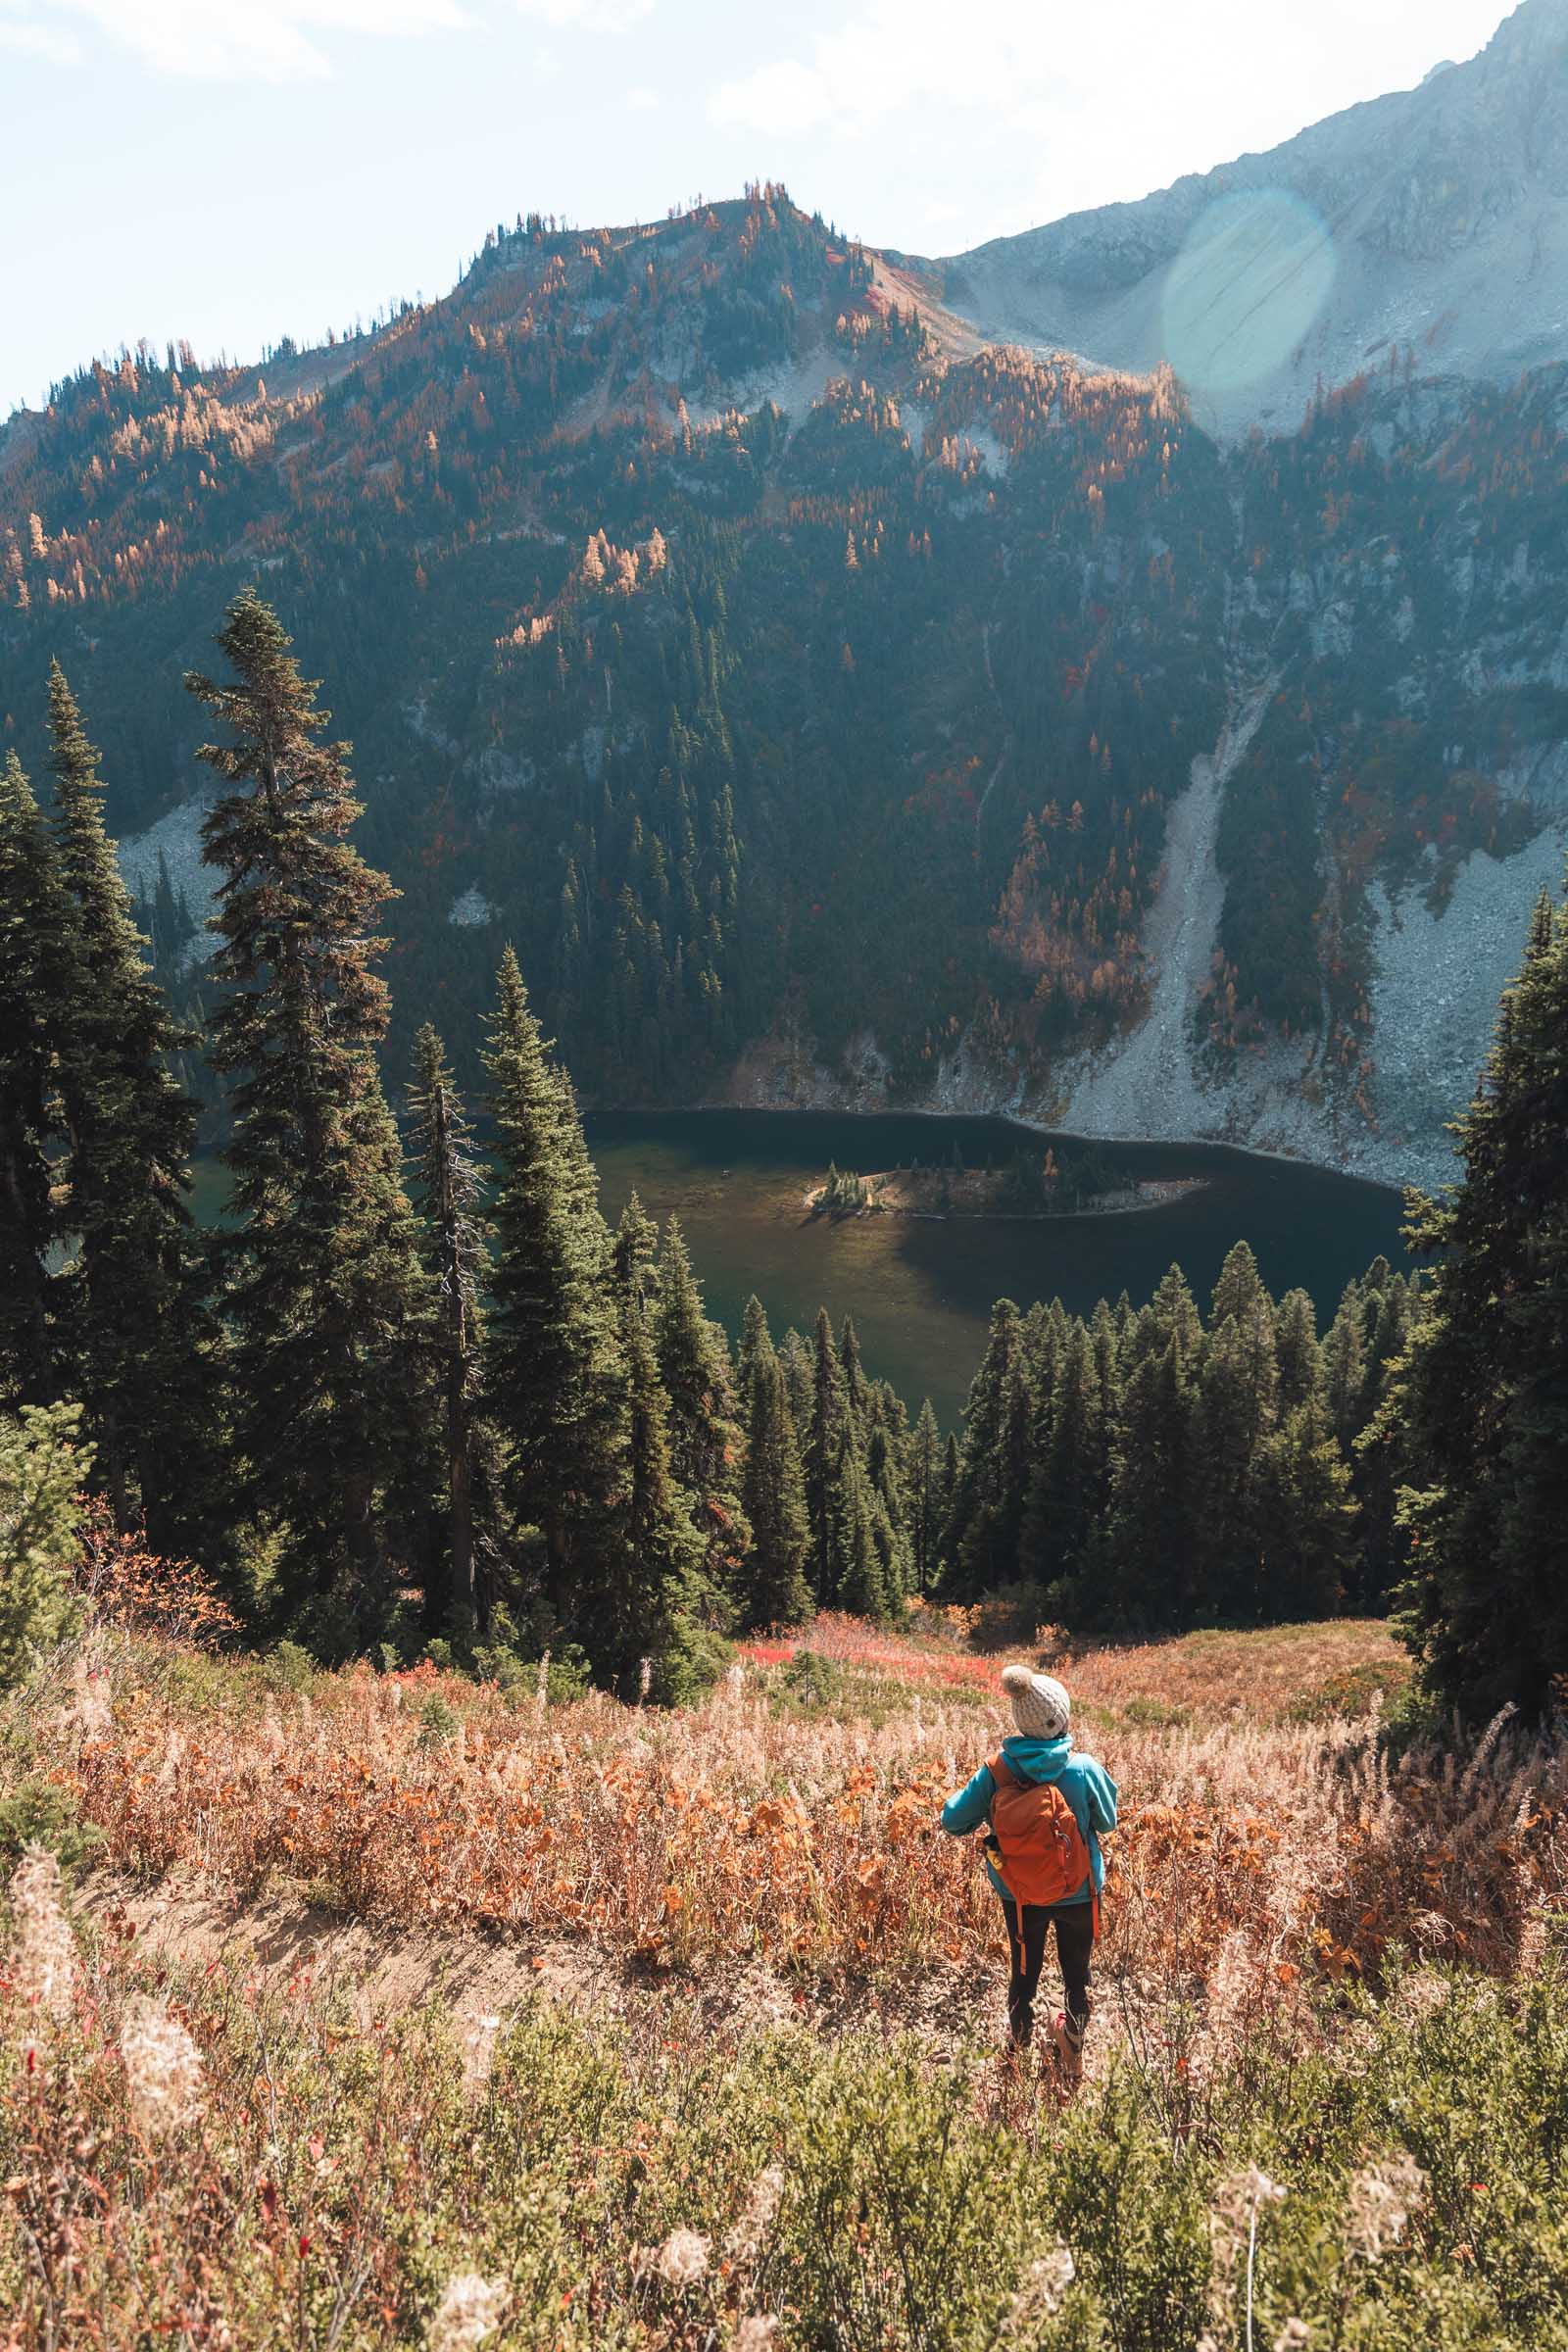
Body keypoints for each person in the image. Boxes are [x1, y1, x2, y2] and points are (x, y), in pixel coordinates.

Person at [940, 1663, 1117, 2080]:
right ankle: (1072, 2046)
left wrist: (988, 1813)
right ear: (1061, 1720)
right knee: (1077, 1975)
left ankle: (1015, 2056)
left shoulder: (997, 1772)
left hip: (1020, 1897)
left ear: (1022, 1722)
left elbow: (952, 1820)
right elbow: (1107, 1822)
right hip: (1080, 1892)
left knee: (1024, 1975)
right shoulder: (1084, 1768)